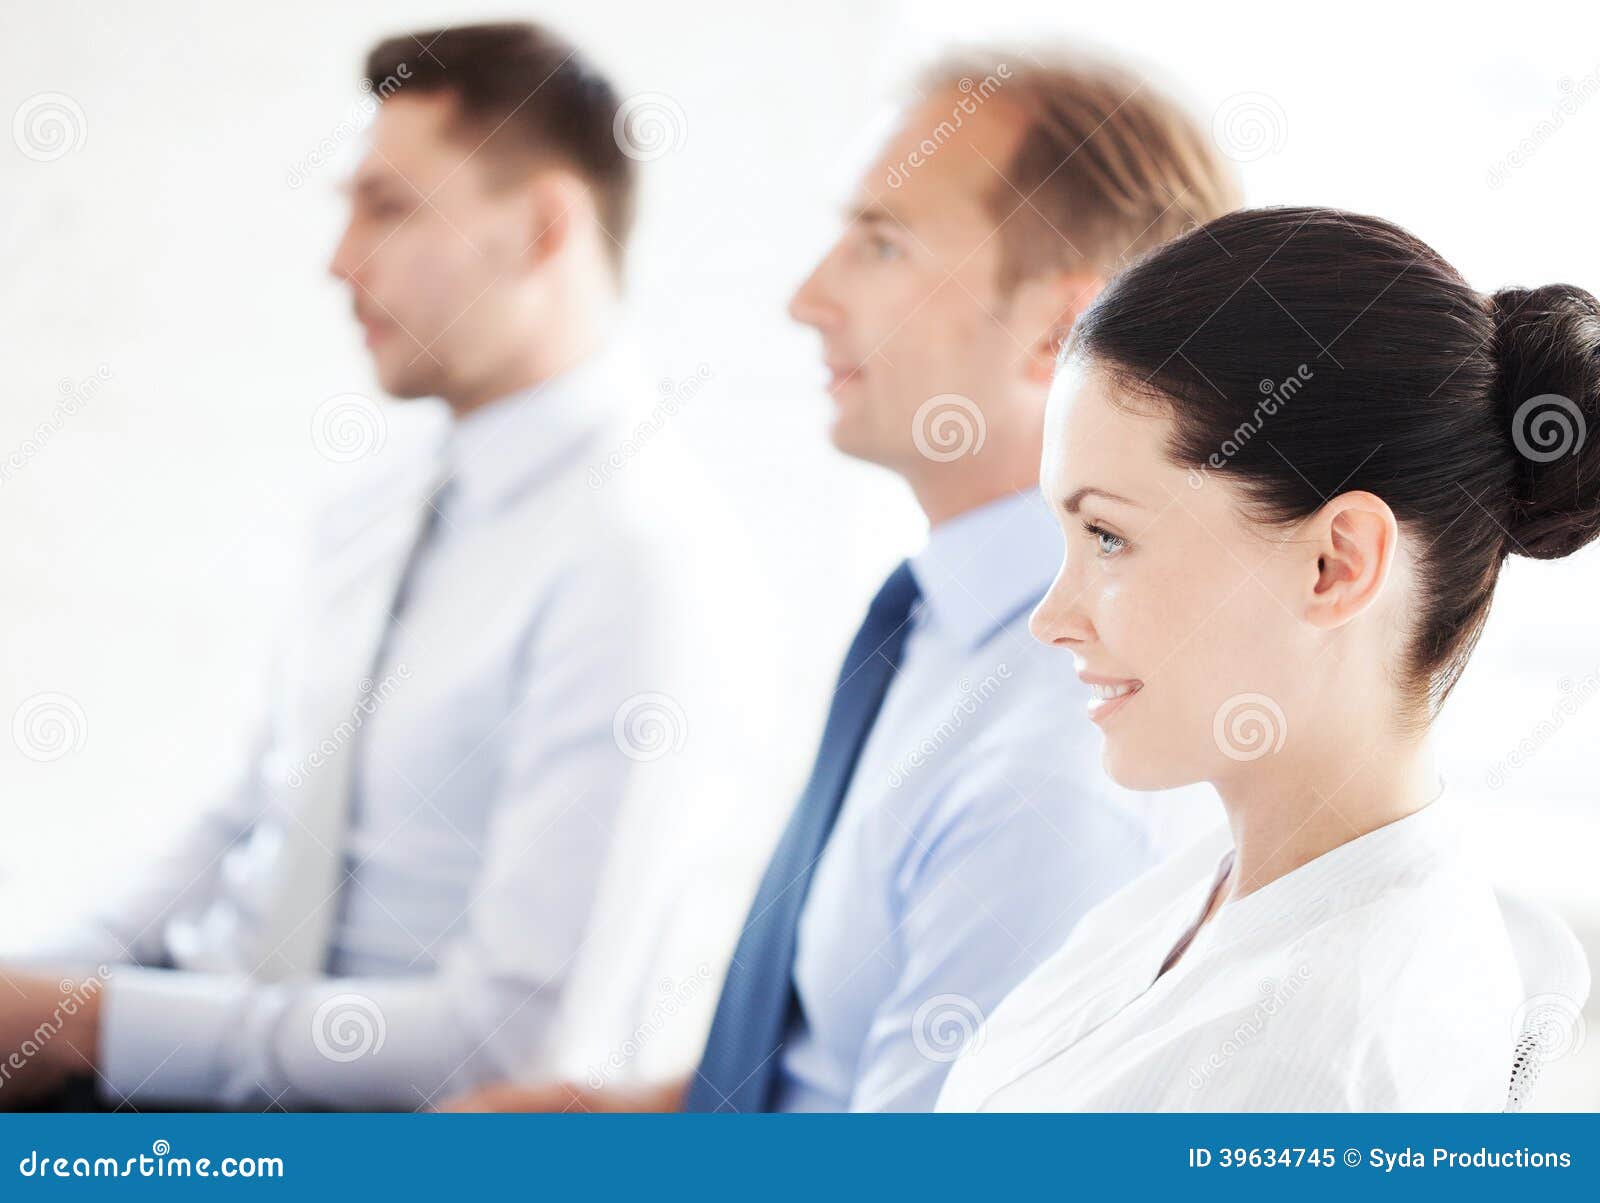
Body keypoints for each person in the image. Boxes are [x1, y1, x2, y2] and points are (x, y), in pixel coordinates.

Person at [444, 50, 1240, 1114]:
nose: (807, 298)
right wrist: (614, 1118)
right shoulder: (936, 634)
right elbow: (836, 1068)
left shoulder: (1062, 754)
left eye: (881, 243)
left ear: (1061, 328)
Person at [0, 21, 759, 1110]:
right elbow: (237, 829)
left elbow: (514, 1041)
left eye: (389, 207)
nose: (340, 259)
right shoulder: (378, 501)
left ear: (546, 227)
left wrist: (91, 1023)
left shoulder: (638, 561)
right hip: (172, 1072)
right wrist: (42, 987)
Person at [936, 205, 1600, 1112]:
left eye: (1109, 535)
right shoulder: (1213, 889)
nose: (1051, 618)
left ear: (1338, 563)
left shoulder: (1317, 1072)